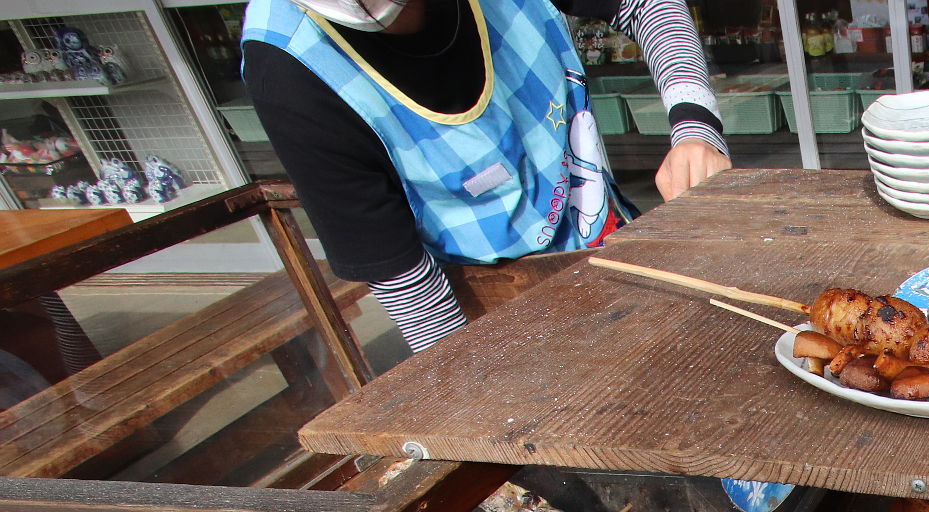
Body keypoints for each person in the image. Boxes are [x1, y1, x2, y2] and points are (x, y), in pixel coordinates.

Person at [240, 0, 729, 354]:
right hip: (486, 308)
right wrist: (476, 384)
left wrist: (695, 124)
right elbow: (399, 274)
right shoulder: (288, 66)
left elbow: (647, 5)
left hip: (608, 242)